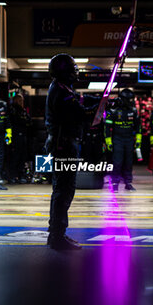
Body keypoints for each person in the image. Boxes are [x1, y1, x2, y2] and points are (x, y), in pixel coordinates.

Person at [44, 53, 98, 250]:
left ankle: (57, 234)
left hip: (64, 145)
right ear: (64, 71)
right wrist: (100, 107)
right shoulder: (60, 91)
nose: (76, 72)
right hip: (63, 146)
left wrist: (99, 99)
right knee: (64, 191)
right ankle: (57, 236)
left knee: (63, 190)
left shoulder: (62, 88)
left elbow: (80, 100)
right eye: (73, 68)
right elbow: (81, 114)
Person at [104, 88, 142, 192]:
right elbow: (107, 128)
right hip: (117, 140)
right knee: (117, 163)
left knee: (129, 162)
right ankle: (115, 183)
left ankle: (128, 183)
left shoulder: (134, 111)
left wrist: (138, 141)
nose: (131, 101)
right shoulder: (113, 111)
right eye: (129, 100)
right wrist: (108, 142)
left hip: (129, 140)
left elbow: (139, 127)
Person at [8, 94, 32, 183]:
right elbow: (17, 121)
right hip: (15, 136)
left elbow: (29, 122)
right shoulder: (12, 110)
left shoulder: (24, 111)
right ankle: (13, 176)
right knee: (15, 156)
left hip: (24, 136)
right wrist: (24, 122)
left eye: (22, 101)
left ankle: (21, 175)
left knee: (23, 156)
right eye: (19, 100)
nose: (21, 102)